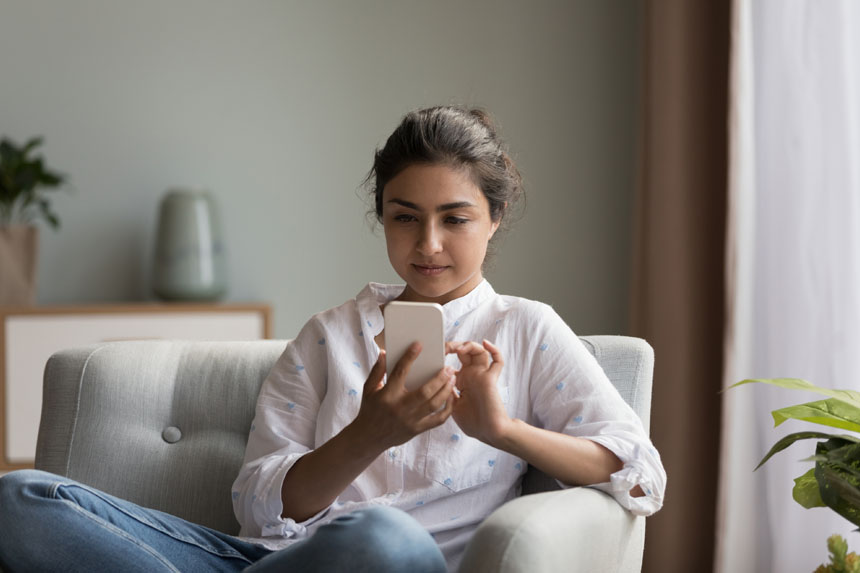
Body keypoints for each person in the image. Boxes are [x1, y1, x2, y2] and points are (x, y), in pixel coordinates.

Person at [0, 106, 665, 572]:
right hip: (267, 561)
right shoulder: (328, 336)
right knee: (18, 498)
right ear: (382, 218)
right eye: (405, 218)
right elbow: (259, 507)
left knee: (379, 536)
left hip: (393, 562)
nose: (428, 244)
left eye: (454, 219)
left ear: (495, 217)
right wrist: (368, 434)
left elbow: (638, 471)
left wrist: (502, 428)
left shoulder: (526, 328)